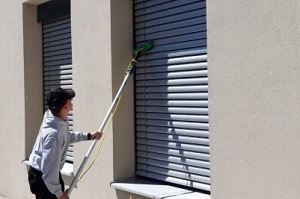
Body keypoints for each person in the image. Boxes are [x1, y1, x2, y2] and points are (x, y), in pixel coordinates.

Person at [28, 87, 102, 199]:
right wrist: (59, 194)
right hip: (43, 177)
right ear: (65, 106)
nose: (72, 102)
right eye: (69, 100)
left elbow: (66, 137)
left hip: (48, 173)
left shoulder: (55, 117)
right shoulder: (53, 134)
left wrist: (88, 136)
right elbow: (48, 171)